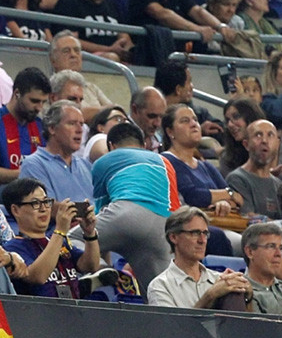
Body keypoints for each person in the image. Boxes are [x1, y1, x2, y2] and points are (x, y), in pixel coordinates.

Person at [90, 121, 177, 290]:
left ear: (111, 146)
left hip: (126, 215)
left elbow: (97, 217)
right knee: (159, 293)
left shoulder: (103, 161)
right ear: (144, 145)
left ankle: (101, 270)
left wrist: (102, 263)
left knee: (70, 240)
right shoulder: (165, 161)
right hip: (163, 228)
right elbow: (175, 209)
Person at [1, 177, 100, 298]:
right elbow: (38, 277)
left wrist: (90, 234)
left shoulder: (56, 240)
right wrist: (60, 231)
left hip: (73, 310)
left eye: (46, 202)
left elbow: (90, 265)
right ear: (15, 210)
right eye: (35, 203)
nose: (43, 209)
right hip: (40, 313)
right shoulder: (13, 247)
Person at [147, 206, 252, 309]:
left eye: (205, 233)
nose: (202, 240)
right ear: (174, 237)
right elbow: (172, 326)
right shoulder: (160, 286)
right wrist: (209, 296)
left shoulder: (220, 280)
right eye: (195, 233)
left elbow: (244, 325)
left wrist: (249, 297)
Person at [161, 103, 239, 215]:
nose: (193, 124)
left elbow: (237, 200)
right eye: (185, 121)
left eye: (195, 120)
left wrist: (223, 203)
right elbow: (192, 196)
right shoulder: (167, 161)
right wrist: (229, 194)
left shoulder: (206, 166)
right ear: (170, 132)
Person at [0, 66, 49, 188]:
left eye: (43, 102)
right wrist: (25, 174)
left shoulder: (40, 125)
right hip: (2, 191)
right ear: (17, 93)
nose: (39, 108)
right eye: (34, 101)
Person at [50, 0, 132, 62]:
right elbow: (71, 41)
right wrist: (109, 49)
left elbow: (124, 34)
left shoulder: (111, 4)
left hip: (115, 56)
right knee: (111, 58)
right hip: (84, 58)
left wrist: (125, 46)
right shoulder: (68, 3)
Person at [17, 100, 92, 203]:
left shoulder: (86, 165)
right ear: (52, 128)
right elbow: (45, 207)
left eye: (81, 124)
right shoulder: (34, 164)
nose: (80, 130)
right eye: (72, 123)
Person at [228, 119, 282, 218]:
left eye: (270, 135)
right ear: (246, 144)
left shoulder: (280, 185)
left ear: (277, 144)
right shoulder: (237, 179)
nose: (264, 141)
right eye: (258, 135)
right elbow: (248, 218)